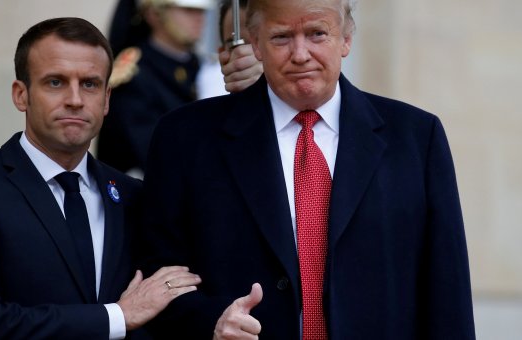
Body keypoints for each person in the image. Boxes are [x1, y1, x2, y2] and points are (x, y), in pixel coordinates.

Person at [139, 0, 476, 338]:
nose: (300, 54)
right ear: (255, 42)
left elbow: (447, 289)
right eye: (282, 37)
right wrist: (211, 320)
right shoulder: (185, 138)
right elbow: (158, 277)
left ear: (345, 39)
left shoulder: (416, 137)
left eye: (317, 34)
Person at [0, 17, 201, 339]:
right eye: (55, 82)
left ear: (107, 99)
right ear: (21, 95)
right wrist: (117, 317)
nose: (75, 99)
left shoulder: (133, 196)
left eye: (90, 84)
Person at [97, 0, 212, 176]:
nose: (199, 18)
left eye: (201, 11)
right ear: (154, 14)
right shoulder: (134, 75)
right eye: (188, 10)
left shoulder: (205, 67)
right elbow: (152, 153)